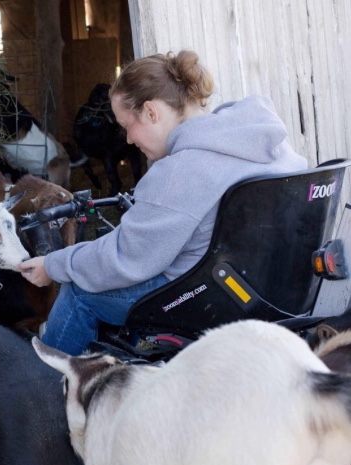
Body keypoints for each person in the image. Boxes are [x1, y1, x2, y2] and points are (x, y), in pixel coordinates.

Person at [18, 50, 308, 355]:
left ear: (152, 112)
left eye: (127, 125)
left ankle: (45, 392)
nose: (128, 140)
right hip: (269, 291)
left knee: (80, 291)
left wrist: (54, 265)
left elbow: (125, 258)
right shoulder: (266, 143)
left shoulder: (182, 170)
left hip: (202, 297)